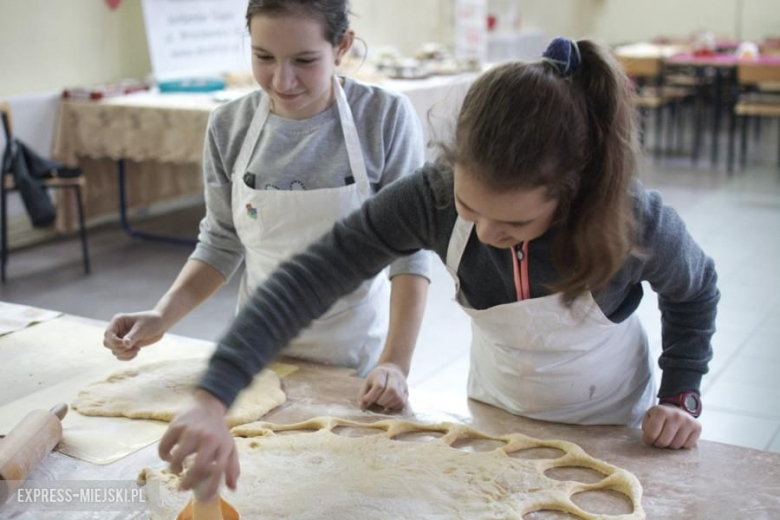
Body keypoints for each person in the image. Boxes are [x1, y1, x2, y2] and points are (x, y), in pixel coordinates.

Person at [158, 37, 720, 500]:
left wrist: (681, 395)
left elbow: (697, 290)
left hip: (612, 416)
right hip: (498, 405)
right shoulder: (430, 197)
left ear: (571, 196)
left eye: (515, 225)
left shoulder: (632, 220)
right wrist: (214, 396)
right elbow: (312, 274)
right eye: (470, 208)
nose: (485, 234)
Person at [102, 0, 431, 407]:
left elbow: (408, 254)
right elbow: (222, 241)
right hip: (258, 352)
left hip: (356, 359)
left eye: (305, 60)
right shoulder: (228, 126)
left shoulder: (382, 117)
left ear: (342, 46)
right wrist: (161, 316)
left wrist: (395, 363)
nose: (282, 79)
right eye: (264, 57)